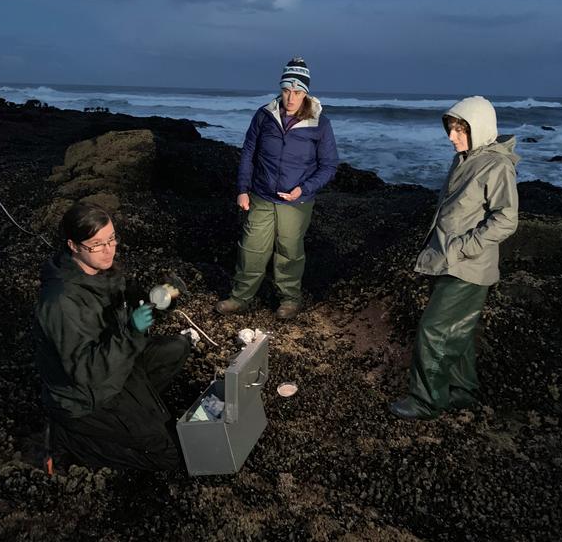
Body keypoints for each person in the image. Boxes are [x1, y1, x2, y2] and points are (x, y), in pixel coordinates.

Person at [390, 96, 519, 420]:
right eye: (451, 128)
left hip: (468, 265)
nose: (452, 136)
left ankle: (426, 401)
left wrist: (462, 246)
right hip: (448, 260)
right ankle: (462, 391)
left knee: (433, 331)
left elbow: (506, 219)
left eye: (461, 129)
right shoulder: (464, 158)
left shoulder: (497, 165)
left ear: (480, 129)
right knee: (457, 329)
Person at [35, 202, 191, 470]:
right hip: (83, 396)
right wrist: (131, 331)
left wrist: (155, 300)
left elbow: (127, 302)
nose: (108, 250)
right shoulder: (61, 302)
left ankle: (136, 410)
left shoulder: (98, 268)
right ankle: (70, 440)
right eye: (97, 244)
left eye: (112, 239)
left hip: (114, 364)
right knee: (168, 455)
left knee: (177, 347)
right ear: (73, 246)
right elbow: (86, 372)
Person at [216, 57, 339, 320]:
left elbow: (329, 166)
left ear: (305, 93)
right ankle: (240, 298)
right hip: (261, 195)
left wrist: (303, 189)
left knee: (289, 252)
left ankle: (290, 300)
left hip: (297, 202)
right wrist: (242, 189)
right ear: (281, 89)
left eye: (297, 92)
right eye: (286, 90)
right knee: (251, 248)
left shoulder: (320, 123)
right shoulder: (264, 116)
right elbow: (249, 153)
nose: (291, 98)